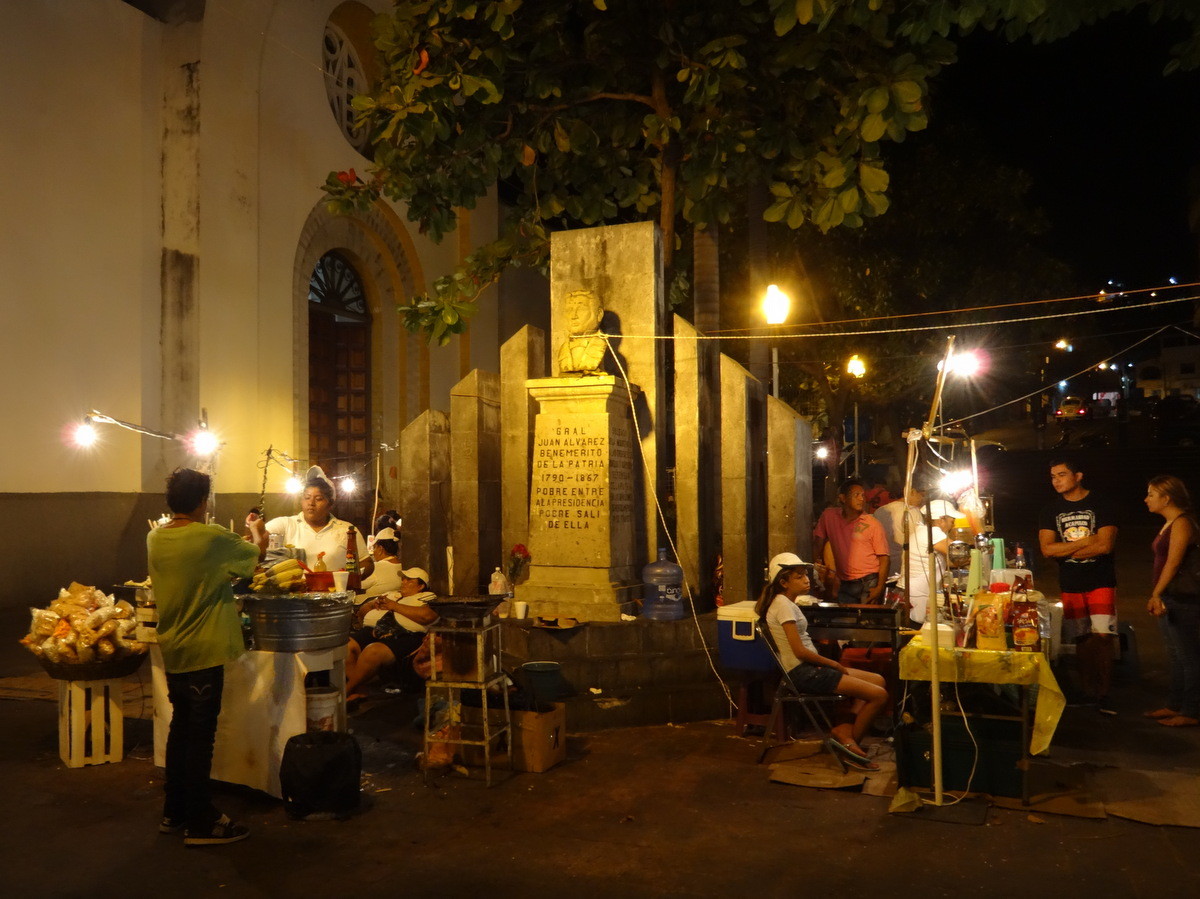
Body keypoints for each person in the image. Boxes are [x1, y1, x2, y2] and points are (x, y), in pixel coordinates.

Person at [147, 468, 266, 845]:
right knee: (200, 738)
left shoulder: (155, 538)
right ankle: (202, 820)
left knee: (181, 729)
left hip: (176, 648)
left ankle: (174, 810)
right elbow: (255, 555)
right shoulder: (211, 536)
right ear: (203, 501)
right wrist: (258, 529)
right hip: (205, 647)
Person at [756, 553, 889, 770]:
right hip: (804, 672)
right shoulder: (782, 605)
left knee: (879, 681)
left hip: (810, 668)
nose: (807, 579)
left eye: (806, 575)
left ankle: (845, 733)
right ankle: (849, 743)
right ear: (783, 582)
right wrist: (832, 663)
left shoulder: (787, 603)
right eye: (799, 577)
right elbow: (799, 651)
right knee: (879, 695)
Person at [1038, 456, 1119, 715]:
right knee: (1081, 639)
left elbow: (1105, 545)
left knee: (1103, 637)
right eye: (1053, 476)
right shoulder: (1050, 510)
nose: (1056, 481)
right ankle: (1086, 691)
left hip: (1101, 581)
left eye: (1061, 475)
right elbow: (1047, 549)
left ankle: (1104, 693)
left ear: (1078, 476)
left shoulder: (1101, 504)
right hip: (1071, 583)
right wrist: (1087, 542)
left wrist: (1066, 550)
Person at [1143, 475, 1200, 727]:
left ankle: (1192, 711)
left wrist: (1156, 593)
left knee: (1189, 656)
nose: (1146, 499)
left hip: (1183, 597)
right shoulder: (1169, 523)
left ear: (1167, 498)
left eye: (1151, 494)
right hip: (1170, 595)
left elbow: (1174, 562)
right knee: (1175, 654)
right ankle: (1174, 704)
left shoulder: (1183, 523)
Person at [345, 567, 437, 703]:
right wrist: (372, 604)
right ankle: (359, 690)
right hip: (375, 629)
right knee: (346, 645)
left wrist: (393, 606)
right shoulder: (392, 594)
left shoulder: (426, 597)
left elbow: (427, 617)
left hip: (405, 635)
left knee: (373, 651)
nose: (403, 582)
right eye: (403, 578)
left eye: (409, 580)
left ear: (421, 585)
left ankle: (346, 691)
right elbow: (361, 613)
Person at [264, 466, 371, 575]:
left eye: (318, 499)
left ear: (330, 504)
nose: (311, 503)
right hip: (296, 590)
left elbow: (366, 563)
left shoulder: (346, 530)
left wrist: (347, 580)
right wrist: (254, 527)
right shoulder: (286, 524)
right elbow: (261, 537)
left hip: (335, 590)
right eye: (307, 497)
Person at [813, 478, 890, 604]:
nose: (862, 499)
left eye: (863, 495)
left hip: (869, 581)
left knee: (867, 620)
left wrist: (879, 587)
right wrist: (811, 571)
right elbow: (817, 544)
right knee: (846, 619)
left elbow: (884, 558)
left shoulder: (872, 524)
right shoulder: (829, 516)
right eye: (856, 495)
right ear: (843, 498)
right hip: (845, 582)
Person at [555, 288, 608, 374]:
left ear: (599, 314)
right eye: (569, 310)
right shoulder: (563, 349)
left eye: (581, 309)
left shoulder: (601, 345)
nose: (573, 316)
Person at [359, 527, 402, 597]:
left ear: (380, 549)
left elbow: (357, 584)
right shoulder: (401, 565)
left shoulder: (376, 567)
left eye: (374, 547)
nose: (373, 552)